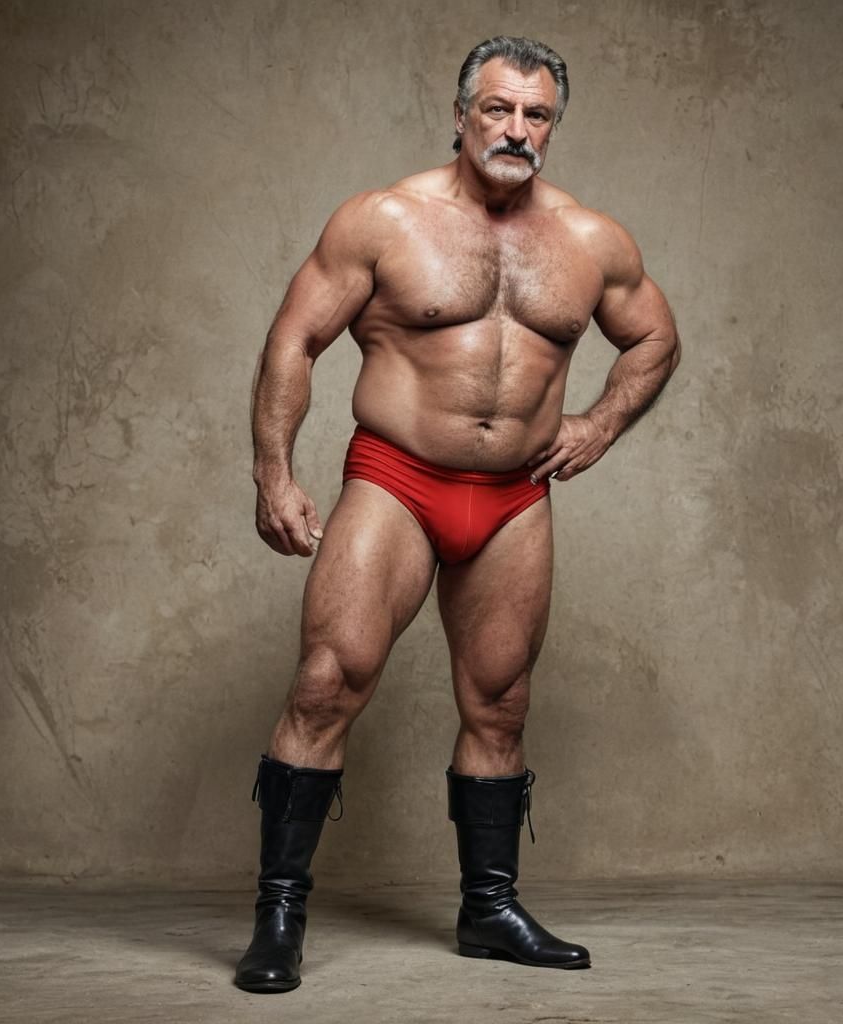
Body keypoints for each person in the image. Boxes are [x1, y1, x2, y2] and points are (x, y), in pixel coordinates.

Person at [235, 35, 681, 993]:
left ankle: (489, 910)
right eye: (498, 109)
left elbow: (654, 339)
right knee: (326, 681)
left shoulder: (592, 240)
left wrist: (600, 423)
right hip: (398, 478)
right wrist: (273, 475)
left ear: (552, 125)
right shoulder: (385, 220)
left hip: (516, 498)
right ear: (460, 115)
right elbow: (294, 340)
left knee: (502, 703)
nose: (516, 130)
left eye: (536, 115)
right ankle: (278, 914)